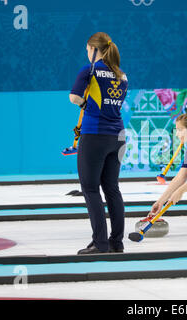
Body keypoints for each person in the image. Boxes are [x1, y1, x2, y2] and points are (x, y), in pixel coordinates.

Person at [69, 32, 128, 254]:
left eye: (87, 49)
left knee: (90, 188)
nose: (86, 54)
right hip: (118, 136)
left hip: (95, 134)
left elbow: (74, 97)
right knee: (112, 189)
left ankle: (100, 243)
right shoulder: (122, 75)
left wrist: (86, 105)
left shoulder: (90, 70)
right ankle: (117, 242)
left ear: (95, 49)